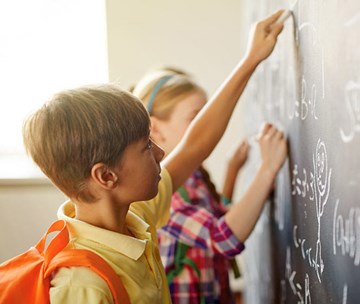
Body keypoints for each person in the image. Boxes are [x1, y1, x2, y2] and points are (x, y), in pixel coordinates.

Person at [20, 10, 286, 304]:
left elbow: (194, 145)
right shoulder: (83, 284)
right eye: (146, 147)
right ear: (106, 176)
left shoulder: (135, 214)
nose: (160, 153)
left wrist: (251, 60)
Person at [132, 67, 286, 303]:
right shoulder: (161, 187)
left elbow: (219, 215)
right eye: (196, 118)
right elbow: (223, 238)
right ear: (156, 129)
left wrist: (234, 172)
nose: (208, 126)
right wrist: (266, 170)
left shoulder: (194, 176)